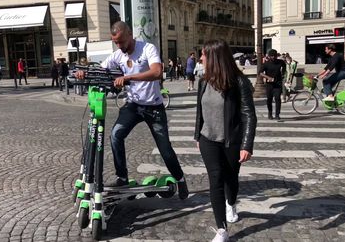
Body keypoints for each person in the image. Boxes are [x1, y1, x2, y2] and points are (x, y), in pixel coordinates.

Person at [74, 21, 189, 199]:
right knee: (115, 135)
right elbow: (101, 68)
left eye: (121, 41)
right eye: (115, 43)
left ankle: (180, 179)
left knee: (165, 148)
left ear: (129, 34)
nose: (119, 46)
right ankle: (122, 177)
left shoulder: (147, 49)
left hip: (154, 107)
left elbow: (157, 72)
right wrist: (84, 72)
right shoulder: (118, 55)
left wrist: (128, 77)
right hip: (133, 105)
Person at [194, 39, 257, 242]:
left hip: (231, 141)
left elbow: (249, 114)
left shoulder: (239, 82)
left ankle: (231, 202)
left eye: (203, 54)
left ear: (214, 57)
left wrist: (247, 145)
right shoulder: (203, 81)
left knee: (231, 179)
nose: (200, 58)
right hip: (208, 140)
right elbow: (200, 112)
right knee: (216, 180)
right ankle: (222, 230)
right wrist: (198, 135)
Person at [260, 49, 286, 120]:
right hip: (269, 84)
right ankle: (270, 113)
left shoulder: (281, 62)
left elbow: (284, 67)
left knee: (277, 99)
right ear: (268, 56)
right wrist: (268, 77)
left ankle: (277, 115)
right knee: (269, 99)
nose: (273, 57)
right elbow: (261, 73)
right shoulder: (266, 64)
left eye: (274, 56)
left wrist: (283, 74)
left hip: (278, 83)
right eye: (271, 56)